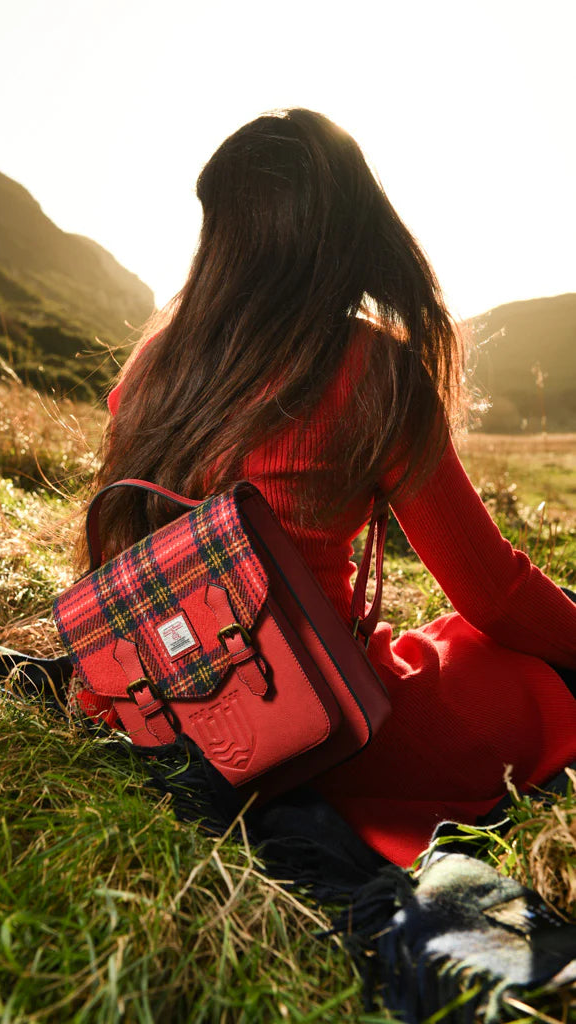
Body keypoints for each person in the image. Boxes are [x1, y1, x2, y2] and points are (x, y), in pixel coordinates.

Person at [83, 108, 576, 868]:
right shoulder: (372, 368)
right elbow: (493, 593)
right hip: (323, 724)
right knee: (521, 669)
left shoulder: (153, 364)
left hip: (156, 708)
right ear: (349, 228)